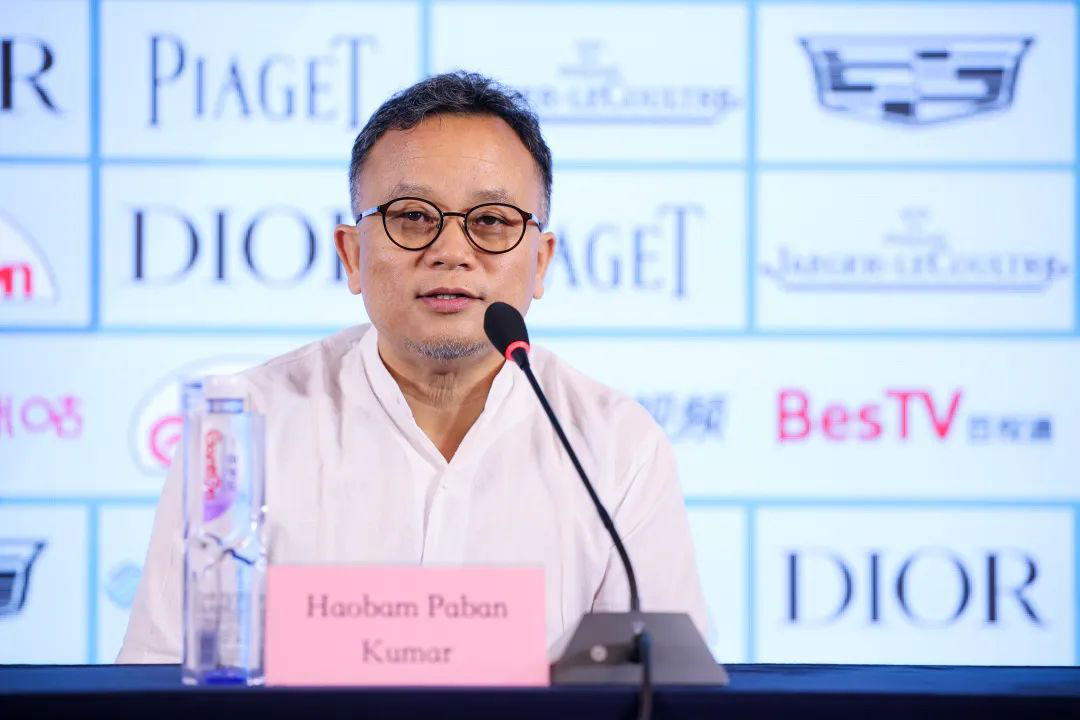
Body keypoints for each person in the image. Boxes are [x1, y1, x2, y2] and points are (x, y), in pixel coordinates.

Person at [118, 71, 707, 662]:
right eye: (414, 217)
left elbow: (659, 687)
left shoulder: (616, 446)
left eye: (492, 221)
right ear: (352, 254)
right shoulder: (243, 429)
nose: (451, 252)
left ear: (541, 262)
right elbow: (162, 678)